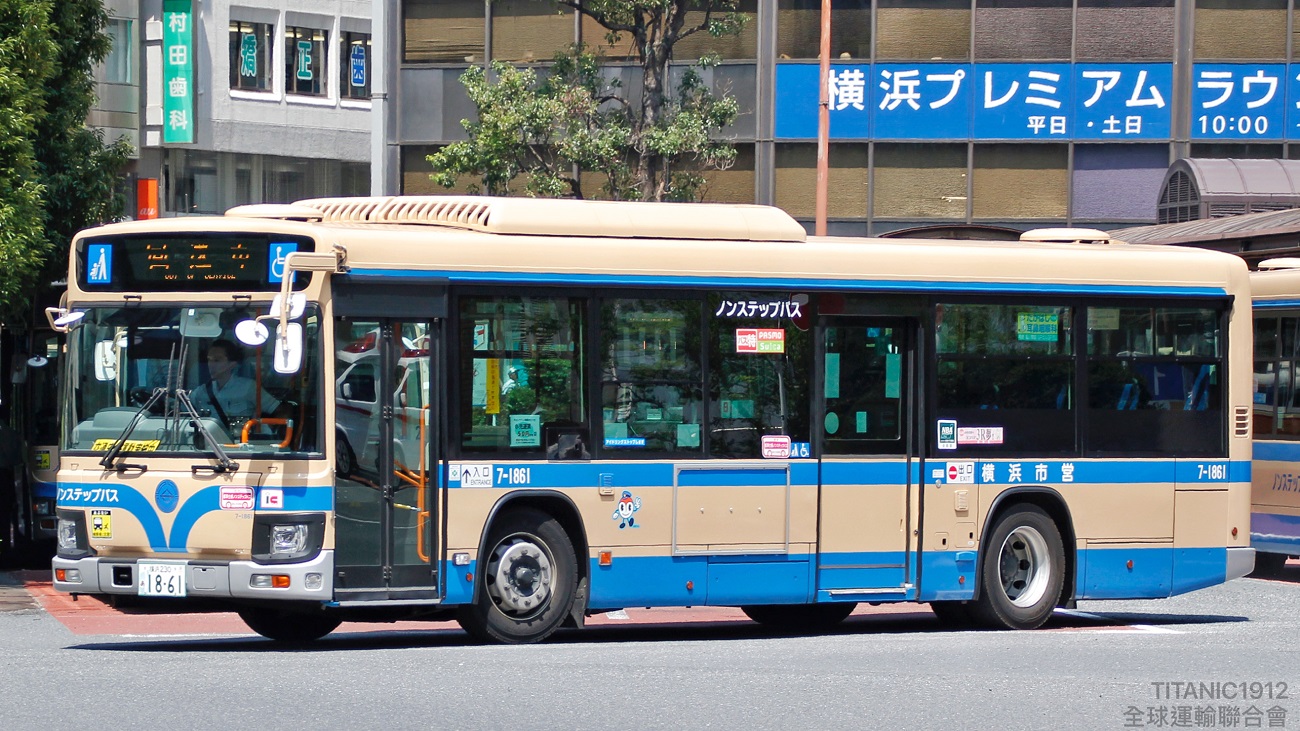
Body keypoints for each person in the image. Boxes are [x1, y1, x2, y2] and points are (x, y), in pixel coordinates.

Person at [191, 339, 282, 431]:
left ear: (232, 364)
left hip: (241, 443)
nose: (211, 365)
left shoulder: (248, 388)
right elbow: (182, 412)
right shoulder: (201, 392)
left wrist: (273, 431)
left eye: (217, 360)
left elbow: (280, 410)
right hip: (209, 443)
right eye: (209, 360)